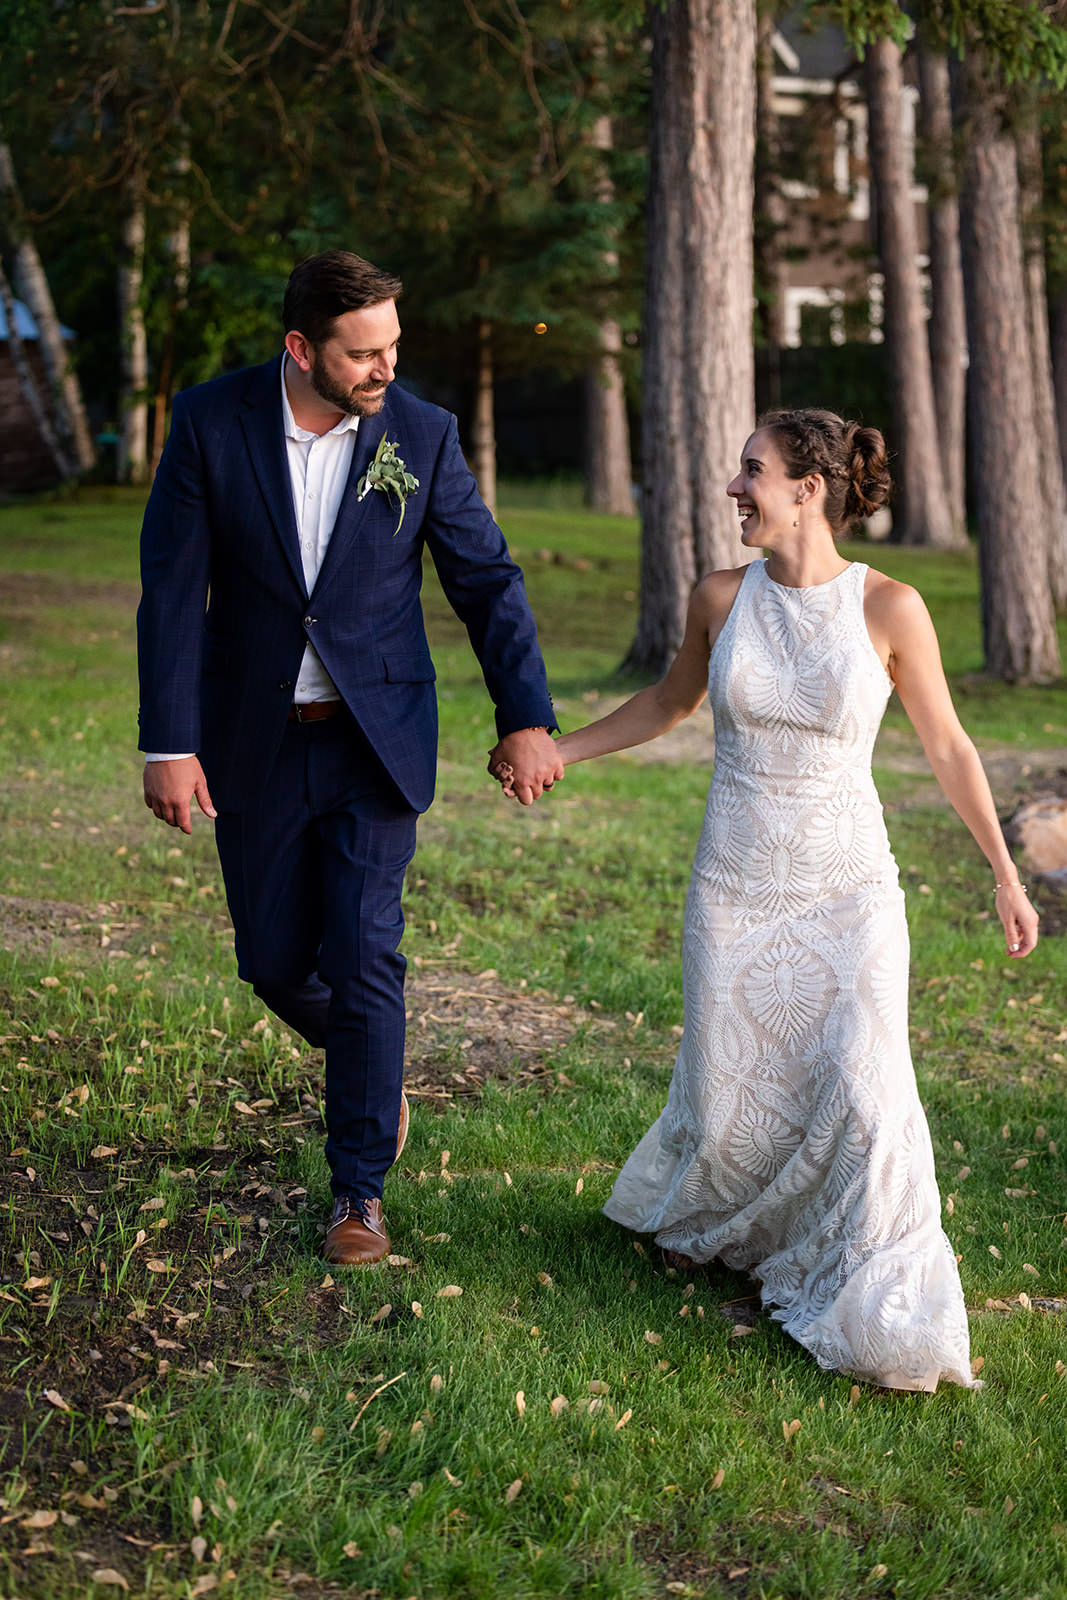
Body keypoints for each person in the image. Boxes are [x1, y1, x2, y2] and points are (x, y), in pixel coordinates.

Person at [539, 409, 1039, 1392]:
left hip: (848, 888)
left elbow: (946, 745)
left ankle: (870, 1278)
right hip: (733, 879)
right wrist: (561, 748)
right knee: (729, 1092)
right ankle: (725, 1220)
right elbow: (664, 702)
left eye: (750, 472)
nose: (733, 489)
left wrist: (1004, 873)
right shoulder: (720, 598)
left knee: (862, 1083)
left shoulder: (889, 607)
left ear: (807, 489)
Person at [138, 250, 563, 1268]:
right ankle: (373, 1072)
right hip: (252, 739)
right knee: (272, 959)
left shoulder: (419, 434)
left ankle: (357, 1195)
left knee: (368, 957)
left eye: (391, 349)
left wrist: (525, 714)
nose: (382, 369)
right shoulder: (209, 422)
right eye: (360, 352)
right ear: (301, 348)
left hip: (376, 742)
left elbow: (486, 580)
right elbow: (170, 590)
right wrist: (168, 741)